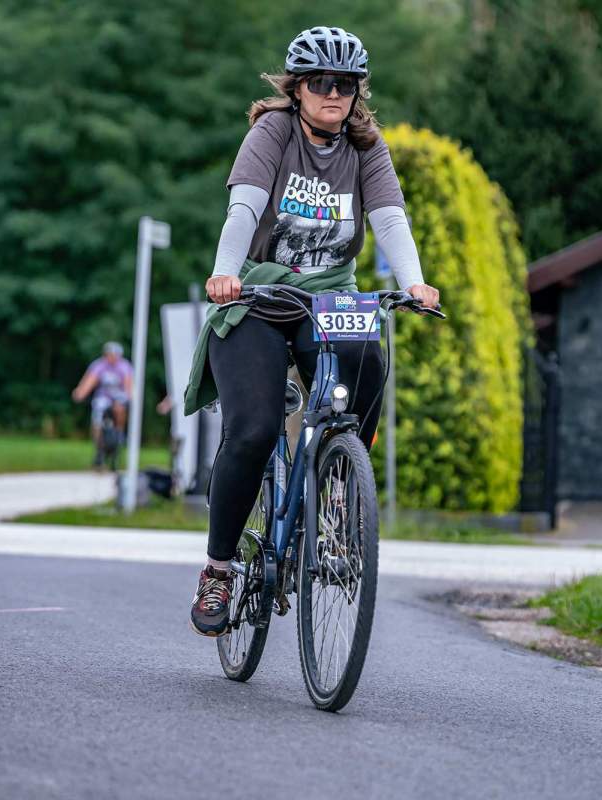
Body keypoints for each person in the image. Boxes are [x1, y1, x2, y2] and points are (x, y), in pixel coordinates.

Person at [185, 26, 440, 636]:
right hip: (259, 295)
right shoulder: (272, 132)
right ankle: (219, 569)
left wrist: (414, 282)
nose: (334, 94)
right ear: (297, 88)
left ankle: (338, 487)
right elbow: (244, 207)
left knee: (369, 368)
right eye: (322, 83)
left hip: (329, 299)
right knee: (251, 430)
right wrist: (225, 273)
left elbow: (390, 217)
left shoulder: (366, 147)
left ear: (357, 92)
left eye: (346, 85)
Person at [72, 342, 133, 467]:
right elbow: (89, 381)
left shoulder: (125, 366)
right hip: (103, 397)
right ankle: (98, 447)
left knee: (120, 409)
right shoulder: (99, 365)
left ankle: (119, 437)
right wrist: (80, 392)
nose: (111, 357)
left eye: (114, 355)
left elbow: (129, 387)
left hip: (119, 397)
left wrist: (128, 397)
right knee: (97, 415)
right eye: (109, 354)